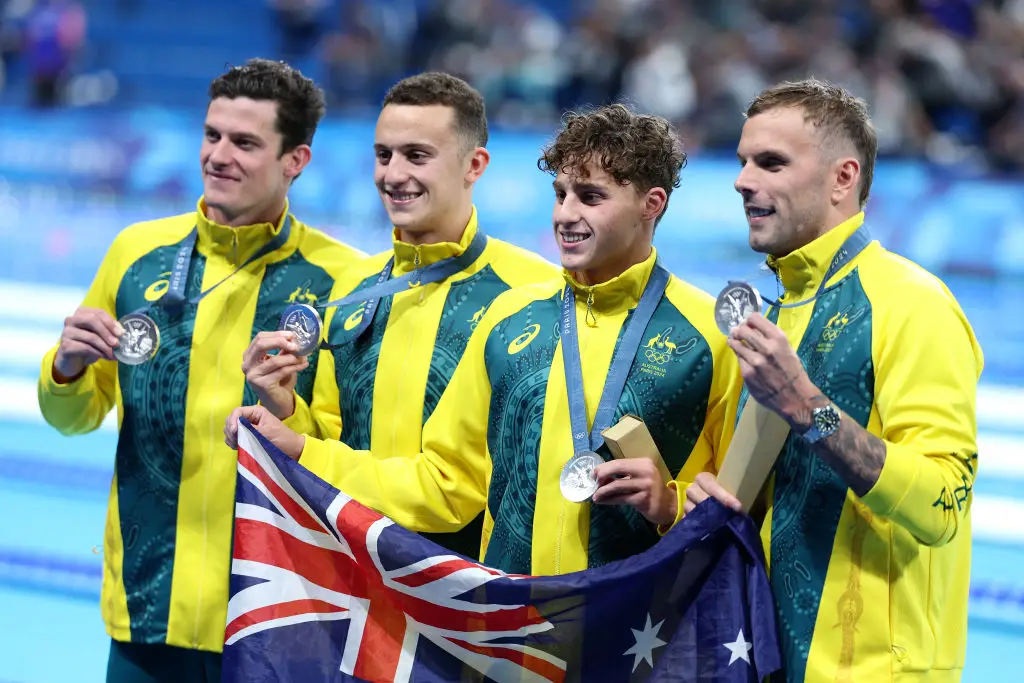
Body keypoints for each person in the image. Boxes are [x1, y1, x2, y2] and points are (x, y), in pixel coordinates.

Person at [226, 103, 741, 575]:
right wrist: (299, 448)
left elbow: (745, 510)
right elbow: (446, 483)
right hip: (508, 629)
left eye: (591, 197)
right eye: (560, 195)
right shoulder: (510, 317)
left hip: (641, 632)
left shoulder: (708, 336)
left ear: (652, 204)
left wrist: (669, 505)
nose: (565, 214)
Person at [37, 58, 364, 683]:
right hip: (148, 602)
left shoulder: (340, 279)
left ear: (296, 160)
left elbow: (349, 448)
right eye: (212, 136)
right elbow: (72, 419)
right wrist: (68, 368)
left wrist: (285, 412)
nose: (218, 155)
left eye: (245, 142)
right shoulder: (137, 252)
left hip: (273, 610)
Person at [684, 78, 983, 682]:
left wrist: (806, 406)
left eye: (771, 163)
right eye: (743, 162)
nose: (743, 180)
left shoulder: (912, 305)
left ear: (842, 178)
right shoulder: (773, 314)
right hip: (768, 660)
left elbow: (941, 502)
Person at [236, 71, 558, 558]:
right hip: (357, 578)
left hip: (469, 588)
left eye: (417, 155)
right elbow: (327, 436)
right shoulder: (354, 288)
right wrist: (282, 408)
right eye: (383, 154)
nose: (392, 174)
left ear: (474, 165)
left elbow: (467, 490)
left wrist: (304, 451)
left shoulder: (534, 291)